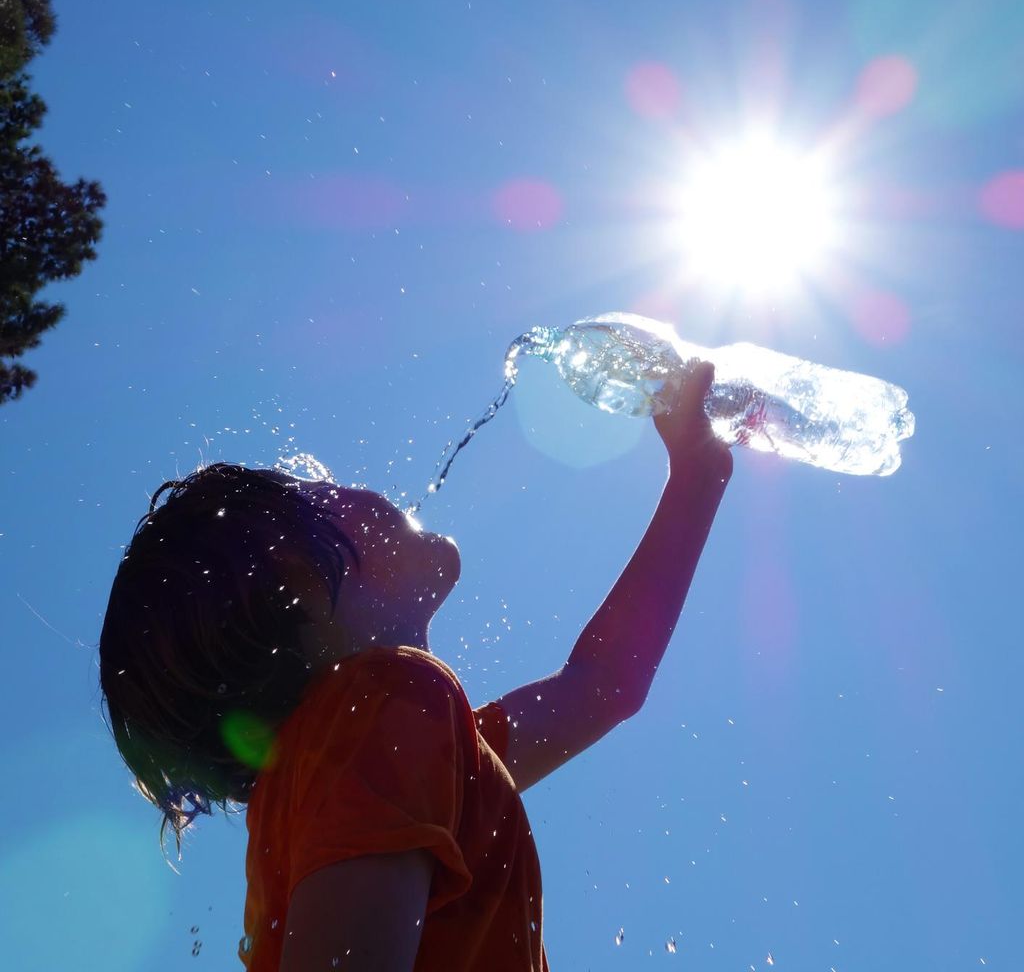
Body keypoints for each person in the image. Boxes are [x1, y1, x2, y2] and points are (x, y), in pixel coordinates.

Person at [99, 361, 732, 971]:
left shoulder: (381, 753)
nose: (357, 488)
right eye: (322, 495)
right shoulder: (378, 710)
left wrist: (698, 474)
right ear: (297, 585)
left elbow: (603, 686)